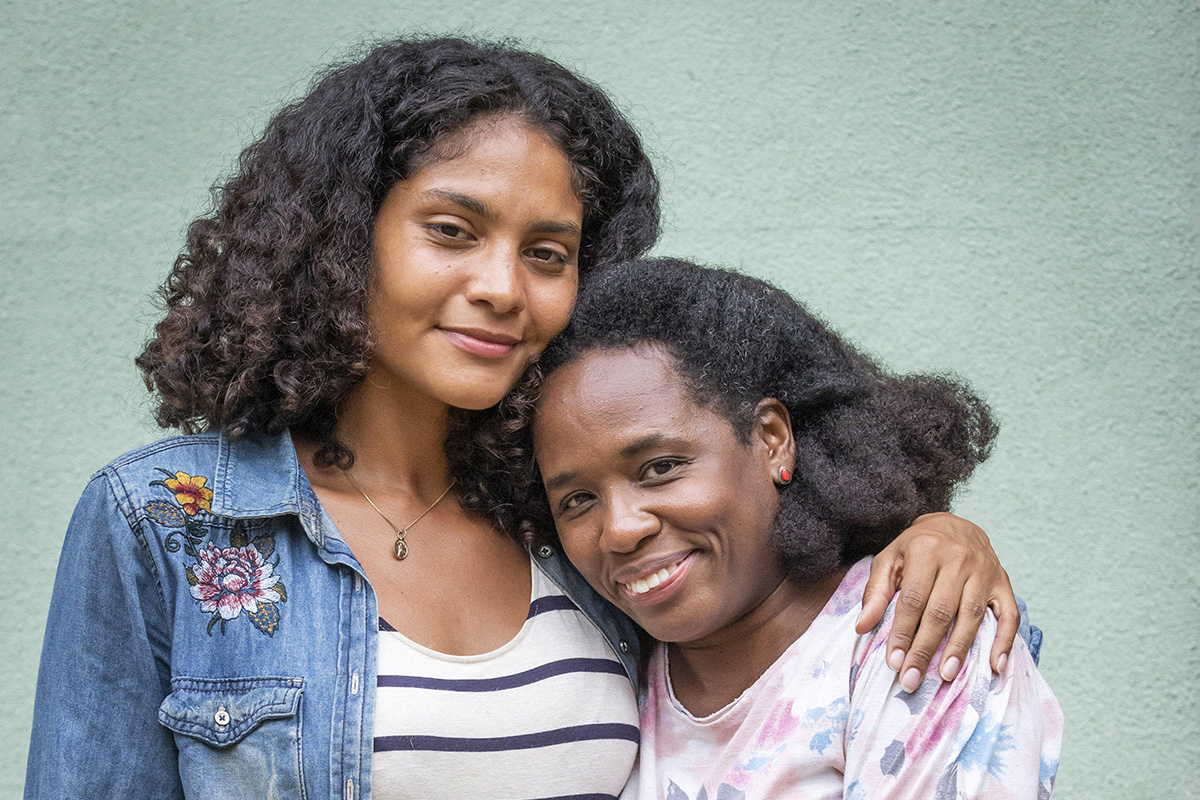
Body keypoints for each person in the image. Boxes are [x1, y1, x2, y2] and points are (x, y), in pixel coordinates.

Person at [26, 37, 1030, 800]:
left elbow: (783, 644)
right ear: (344, 239)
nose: (503, 286)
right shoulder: (169, 520)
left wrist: (933, 531)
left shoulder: (578, 525)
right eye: (453, 231)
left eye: (547, 252)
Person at [529, 257, 1063, 799]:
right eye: (577, 500)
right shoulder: (606, 670)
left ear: (772, 438)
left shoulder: (915, 636)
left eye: (661, 468)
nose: (620, 530)